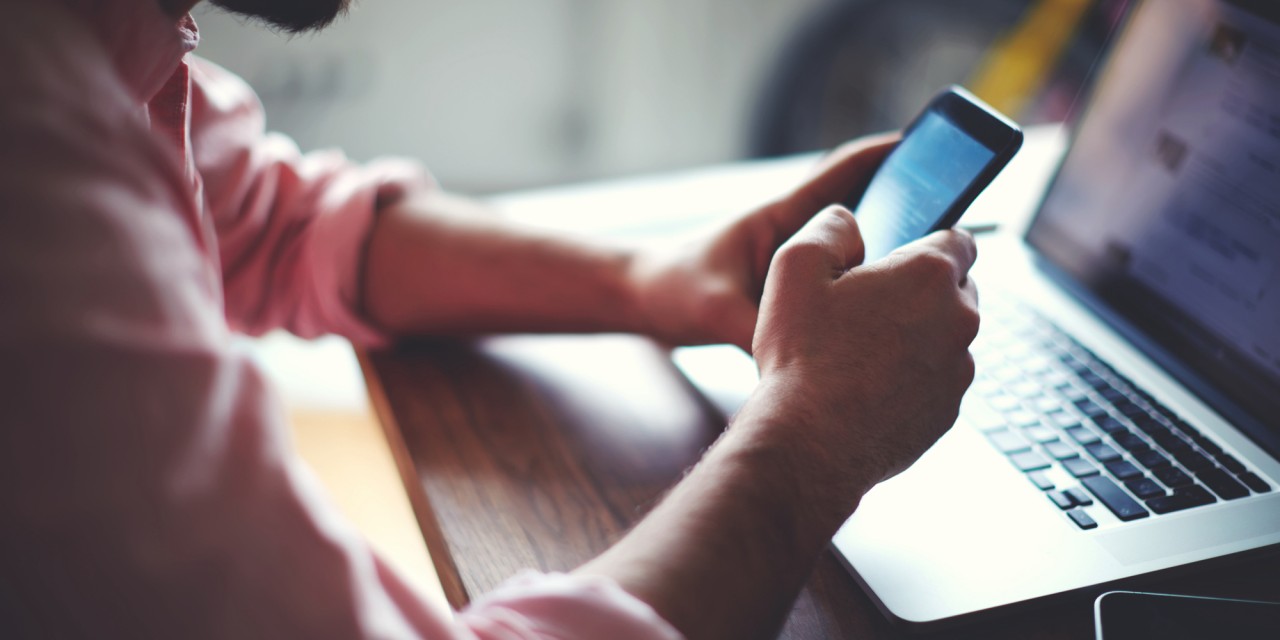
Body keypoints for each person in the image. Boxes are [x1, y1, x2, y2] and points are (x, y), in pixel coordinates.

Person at [0, 1, 979, 638]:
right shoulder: (31, 145)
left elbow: (272, 220)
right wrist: (808, 439)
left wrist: (657, 277)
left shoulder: (92, 40)